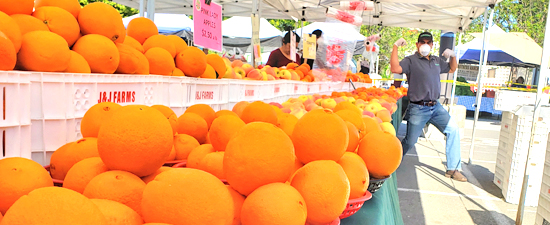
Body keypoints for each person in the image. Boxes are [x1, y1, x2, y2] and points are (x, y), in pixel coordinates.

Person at [390, 32, 466, 182]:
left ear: (432, 45)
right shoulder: (411, 60)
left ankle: (453, 168)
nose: (425, 44)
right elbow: (395, 68)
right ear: (417, 45)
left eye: (428, 42)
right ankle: (391, 161)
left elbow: (452, 69)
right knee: (410, 141)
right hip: (418, 108)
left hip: (435, 107)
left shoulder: (436, 61)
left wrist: (453, 55)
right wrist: (395, 46)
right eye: (422, 42)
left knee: (453, 130)